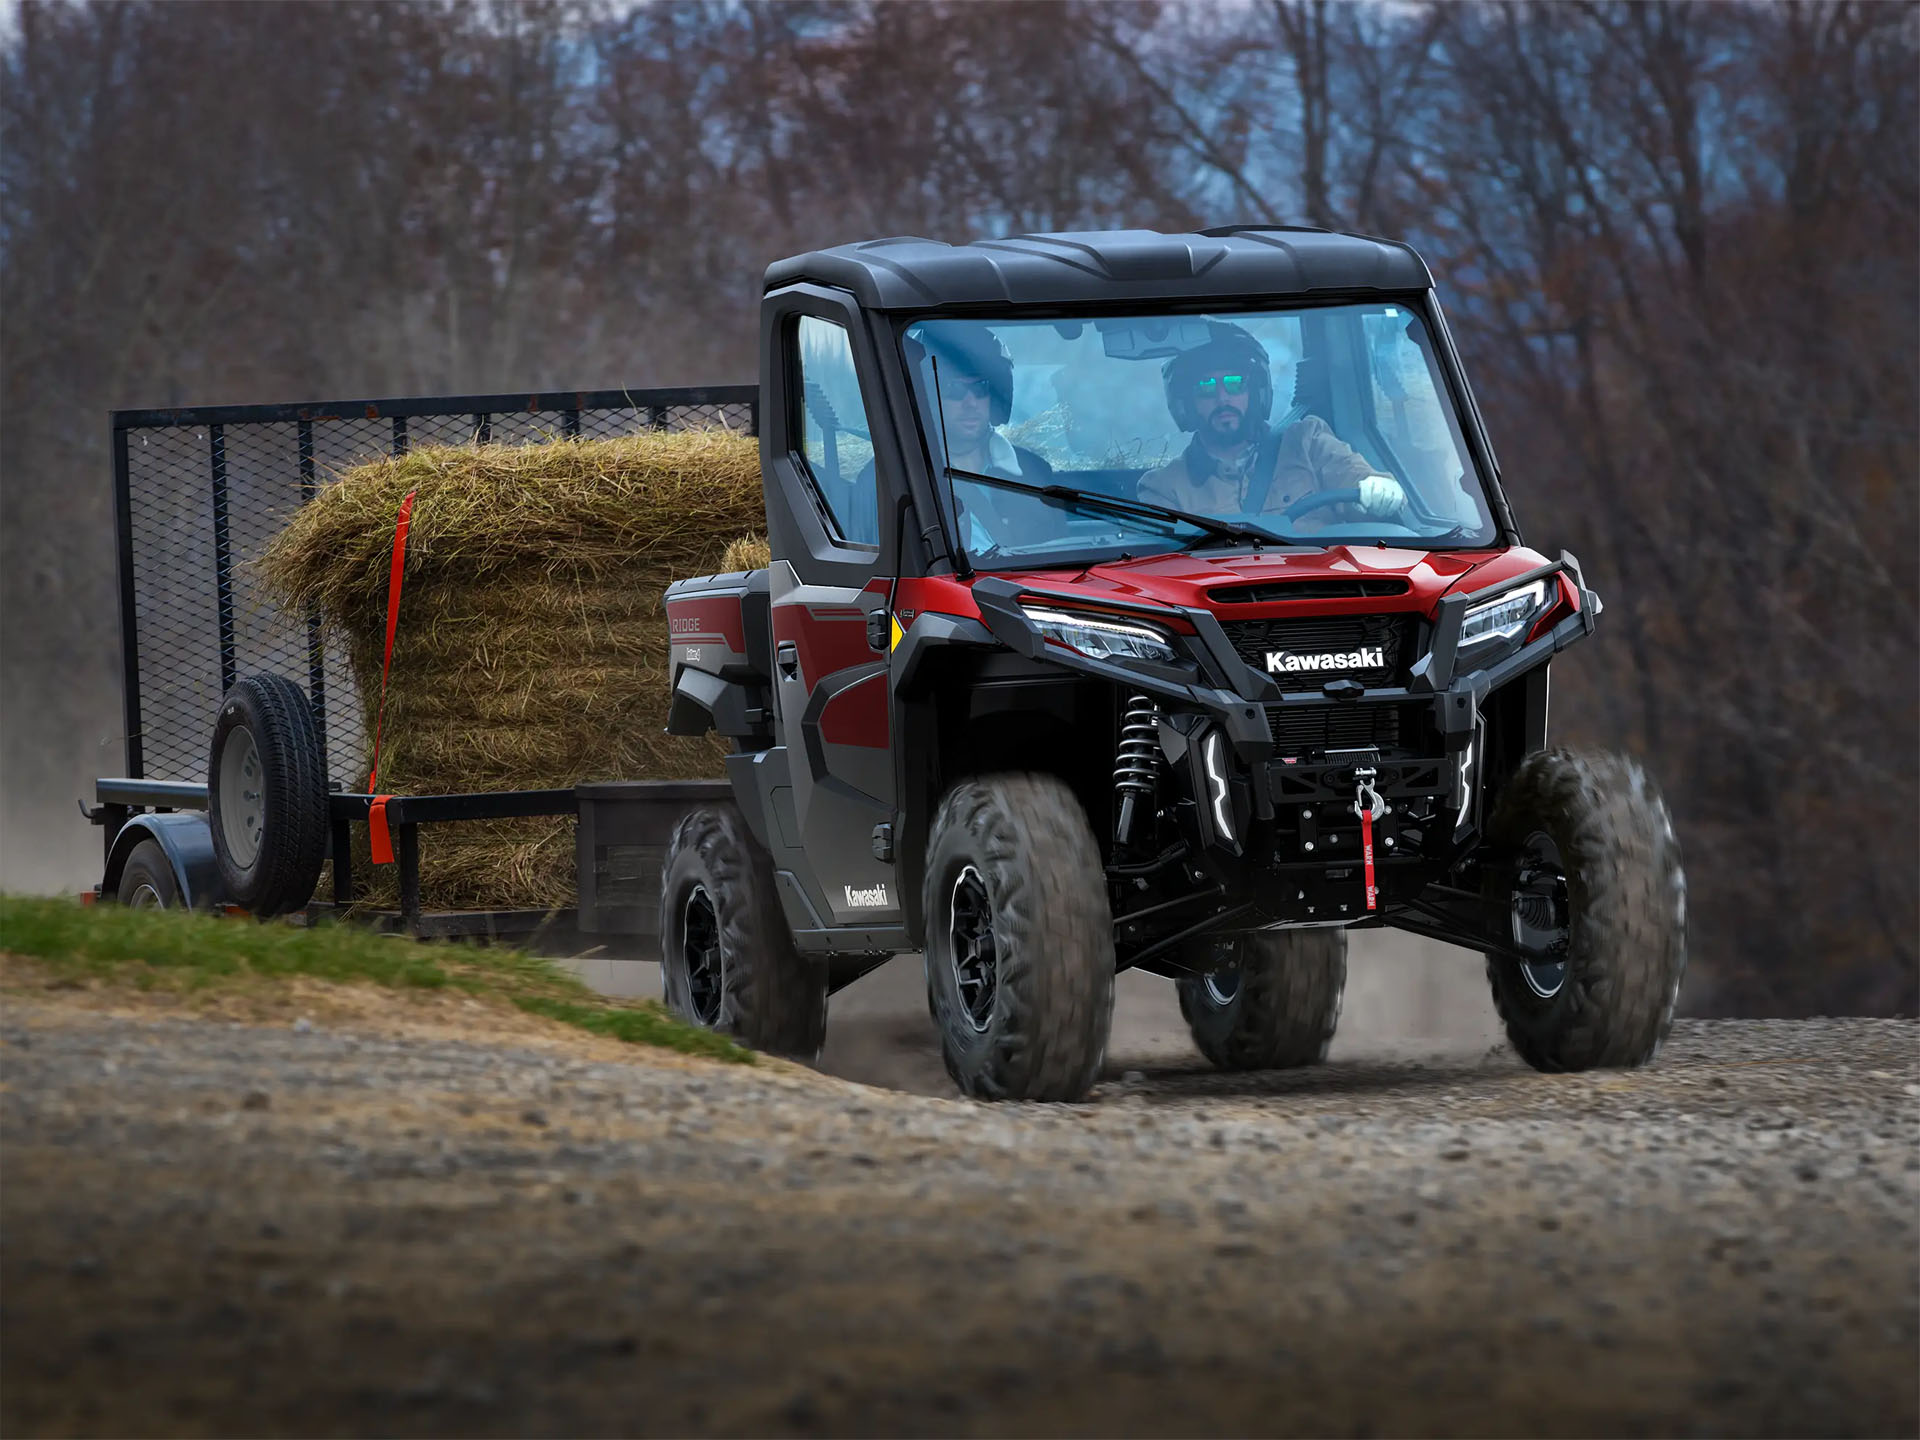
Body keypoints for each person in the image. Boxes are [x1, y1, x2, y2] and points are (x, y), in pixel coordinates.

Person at [1138, 321, 1407, 525]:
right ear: (1186, 402)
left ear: (1256, 391)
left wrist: (1378, 488)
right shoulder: (1165, 488)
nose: (1222, 398)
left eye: (1235, 383)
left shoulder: (1307, 442)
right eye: (1206, 387)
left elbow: (1355, 475)